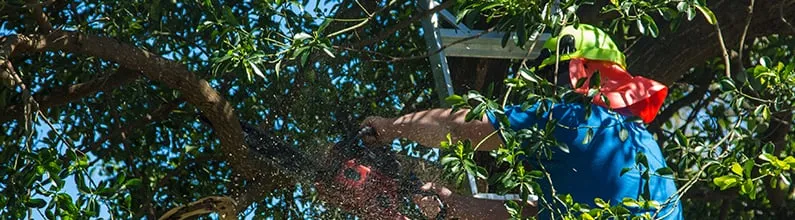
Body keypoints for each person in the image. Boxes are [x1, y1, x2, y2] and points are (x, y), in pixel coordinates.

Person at [361, 24, 683, 219]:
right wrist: (452, 205)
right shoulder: (646, 145)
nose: (548, 87)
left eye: (553, 73)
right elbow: (528, 215)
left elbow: (457, 127)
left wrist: (389, 127)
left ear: (578, 71)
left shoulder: (570, 117)